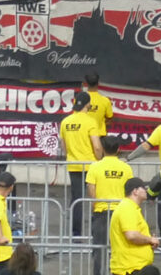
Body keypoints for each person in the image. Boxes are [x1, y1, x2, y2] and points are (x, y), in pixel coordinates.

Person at [62, 90, 107, 234]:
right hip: (91, 166)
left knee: (77, 200)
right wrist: (100, 159)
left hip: (73, 165)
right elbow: (97, 146)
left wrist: (71, 156)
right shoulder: (90, 122)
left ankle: (76, 234)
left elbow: (64, 146)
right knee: (97, 198)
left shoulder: (65, 122)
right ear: (88, 105)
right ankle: (98, 232)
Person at [88, 137, 135, 272]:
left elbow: (92, 191)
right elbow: (130, 190)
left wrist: (94, 208)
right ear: (118, 149)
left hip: (101, 211)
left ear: (103, 149)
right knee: (121, 248)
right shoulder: (126, 168)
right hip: (122, 212)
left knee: (99, 250)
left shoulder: (95, 167)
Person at [109, 178, 159, 275]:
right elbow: (132, 235)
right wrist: (150, 240)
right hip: (130, 269)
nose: (146, 190)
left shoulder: (131, 208)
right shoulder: (127, 208)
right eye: (143, 188)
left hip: (134, 267)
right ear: (135, 191)